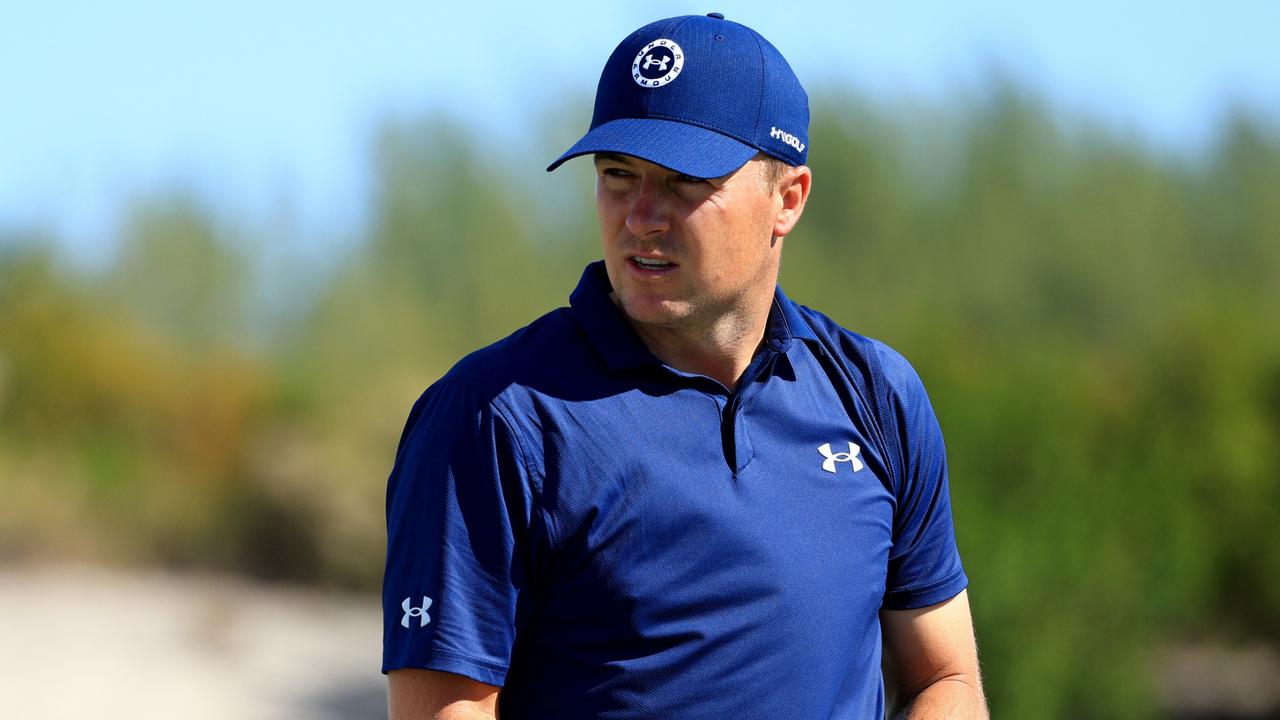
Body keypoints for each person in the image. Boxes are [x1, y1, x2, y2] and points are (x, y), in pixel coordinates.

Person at [382, 12, 986, 720]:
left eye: (681, 182)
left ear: (787, 199)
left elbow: (945, 680)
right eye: (618, 175)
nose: (640, 215)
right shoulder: (493, 415)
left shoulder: (876, 396)